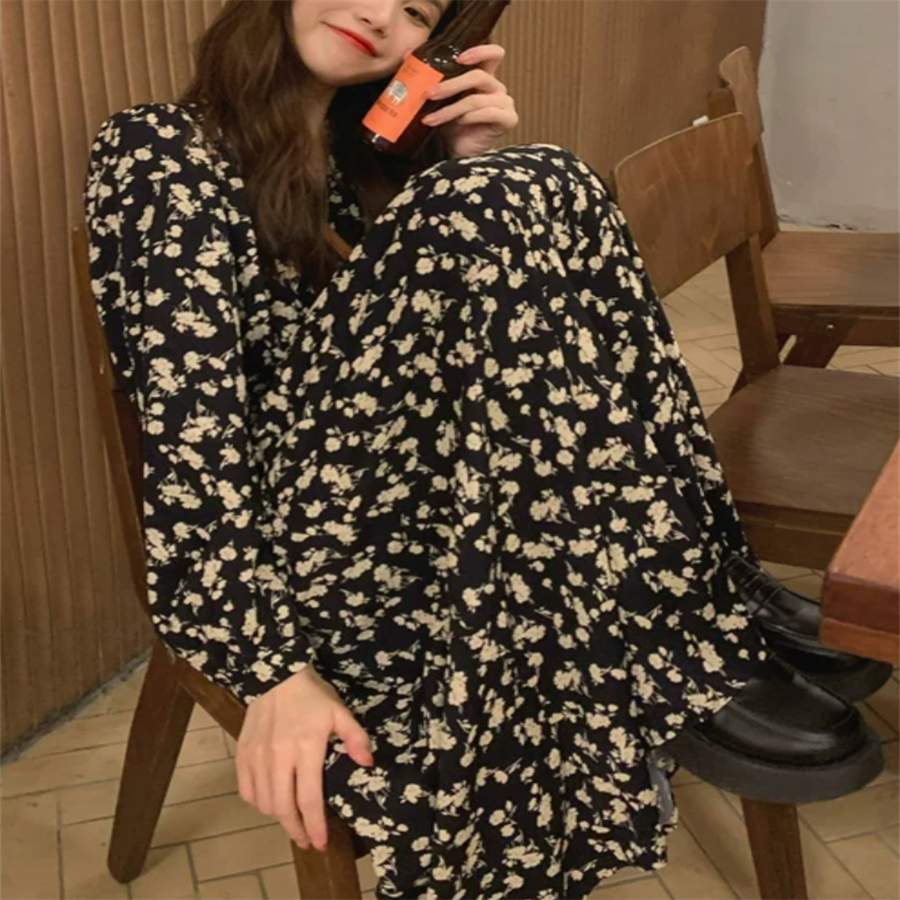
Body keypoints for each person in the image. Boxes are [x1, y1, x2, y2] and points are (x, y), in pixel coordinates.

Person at [84, 1, 888, 898]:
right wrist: (270, 671)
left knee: (545, 175)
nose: (376, 14)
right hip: (301, 544)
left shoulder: (356, 160)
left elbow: (418, 356)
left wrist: (456, 159)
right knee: (506, 187)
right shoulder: (159, 149)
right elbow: (191, 441)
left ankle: (701, 589)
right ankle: (677, 623)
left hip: (405, 493)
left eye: (416, 10)